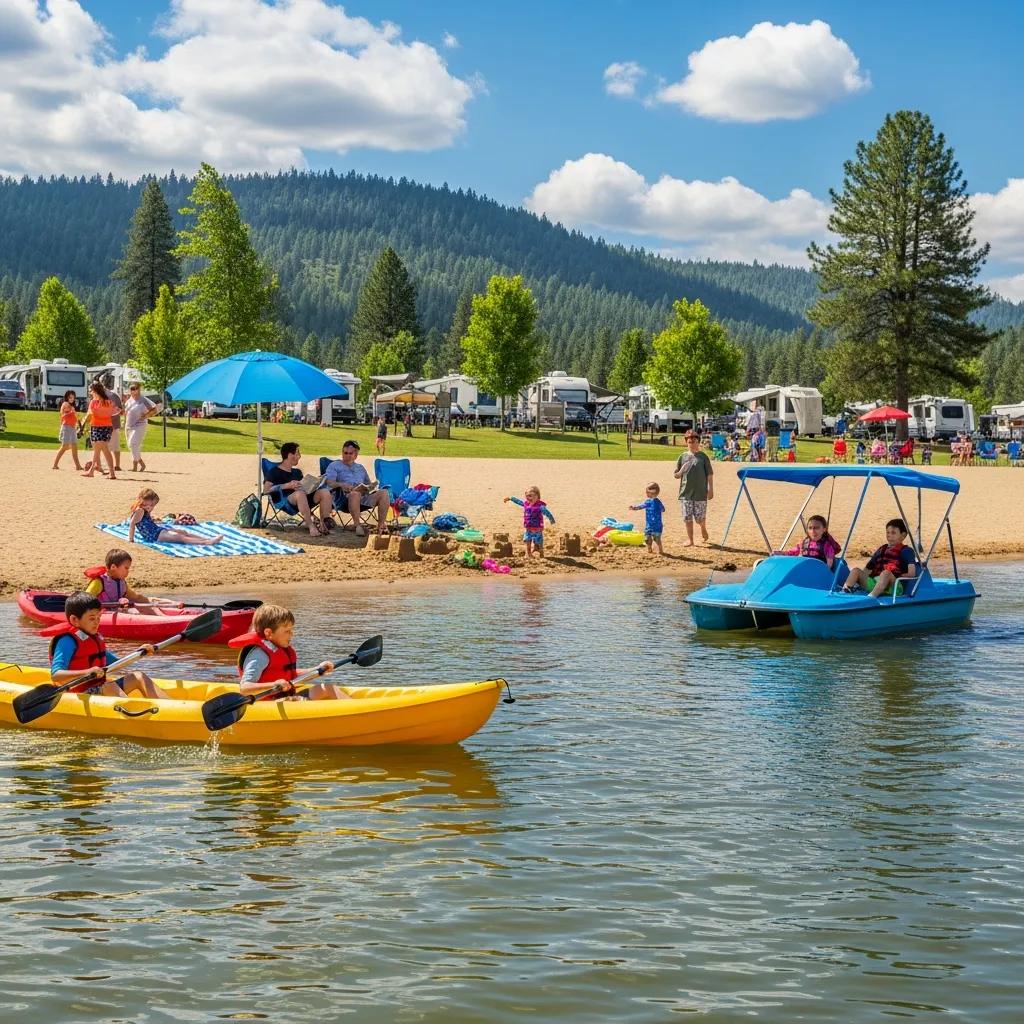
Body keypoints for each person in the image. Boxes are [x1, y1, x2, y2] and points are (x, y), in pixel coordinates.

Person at [48, 590, 168, 699]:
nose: (97, 622)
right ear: (75, 620)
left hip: (99, 688)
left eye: (98, 618)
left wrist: (140, 653)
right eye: (92, 619)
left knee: (138, 676)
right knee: (109, 687)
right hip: (77, 695)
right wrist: (87, 672)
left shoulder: (94, 639)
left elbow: (117, 665)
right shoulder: (67, 641)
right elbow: (56, 675)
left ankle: (167, 708)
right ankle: (133, 716)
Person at [229, 604, 351, 701]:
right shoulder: (259, 655)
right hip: (268, 705)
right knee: (325, 690)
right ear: (269, 633)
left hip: (283, 699)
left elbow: (290, 675)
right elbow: (245, 688)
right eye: (287, 631)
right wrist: (274, 684)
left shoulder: (279, 649)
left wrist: (317, 670)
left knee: (328, 688)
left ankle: (354, 713)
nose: (292, 634)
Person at [264, 441, 334, 538]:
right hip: (286, 502)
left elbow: (304, 487)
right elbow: (266, 490)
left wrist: (315, 484)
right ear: (290, 455)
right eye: (298, 453)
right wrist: (287, 485)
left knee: (324, 492)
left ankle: (324, 524)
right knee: (299, 493)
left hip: (303, 499)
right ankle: (311, 526)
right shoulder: (274, 471)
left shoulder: (297, 472)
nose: (299, 456)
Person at [83, 548, 184, 614]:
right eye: (126, 568)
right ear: (113, 567)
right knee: (136, 611)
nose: (128, 571)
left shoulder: (121, 582)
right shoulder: (99, 582)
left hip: (118, 610)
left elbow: (137, 597)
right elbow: (84, 601)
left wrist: (171, 603)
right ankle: (165, 620)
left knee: (148, 601)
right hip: (105, 614)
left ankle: (174, 606)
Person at [323, 439, 391, 536]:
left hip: (362, 499)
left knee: (384, 492)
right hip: (343, 499)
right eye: (345, 453)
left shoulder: (360, 468)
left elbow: (368, 485)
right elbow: (329, 482)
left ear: (356, 455)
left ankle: (381, 526)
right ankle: (357, 525)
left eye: (350, 453)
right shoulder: (334, 465)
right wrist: (342, 485)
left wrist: (371, 486)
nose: (347, 455)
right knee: (355, 494)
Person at [842, 518, 917, 597]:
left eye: (893, 533)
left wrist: (898, 576)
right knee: (855, 570)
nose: (889, 535)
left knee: (886, 573)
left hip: (894, 587)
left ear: (903, 535)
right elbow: (867, 569)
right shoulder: (882, 550)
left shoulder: (906, 551)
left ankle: (871, 597)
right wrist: (861, 580)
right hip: (875, 583)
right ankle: (845, 592)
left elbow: (912, 573)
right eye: (887, 532)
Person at [128, 488, 223, 546]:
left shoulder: (143, 509)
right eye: (149, 505)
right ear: (142, 500)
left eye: (152, 506)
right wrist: (131, 539)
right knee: (180, 537)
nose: (151, 508)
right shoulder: (140, 510)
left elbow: (144, 522)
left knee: (183, 532)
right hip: (154, 536)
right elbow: (132, 524)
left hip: (157, 530)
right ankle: (207, 542)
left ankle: (207, 538)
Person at [674, 430, 714, 546]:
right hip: (685, 493)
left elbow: (709, 474)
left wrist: (711, 489)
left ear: (698, 442)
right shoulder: (683, 457)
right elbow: (676, 475)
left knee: (699, 518)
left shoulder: (703, 457)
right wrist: (681, 471)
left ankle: (703, 527)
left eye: (695, 442)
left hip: (701, 493)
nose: (692, 444)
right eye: (690, 442)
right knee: (687, 518)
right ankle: (691, 540)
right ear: (687, 442)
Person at [772, 514, 841, 569]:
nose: (813, 531)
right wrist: (780, 553)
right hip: (805, 571)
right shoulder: (803, 543)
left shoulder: (827, 546)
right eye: (810, 528)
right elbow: (792, 553)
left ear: (824, 529)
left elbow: (829, 565)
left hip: (819, 573)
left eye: (816, 528)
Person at [80, 380, 118, 480]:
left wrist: (96, 413)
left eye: (91, 391)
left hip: (105, 427)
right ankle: (110, 473)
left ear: (96, 391)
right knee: (102, 449)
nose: (90, 393)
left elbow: (112, 413)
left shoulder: (108, 402)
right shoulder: (93, 402)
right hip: (95, 427)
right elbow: (90, 415)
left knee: (100, 448)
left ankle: (92, 470)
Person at [504, 486, 555, 558]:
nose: (528, 498)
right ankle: (529, 554)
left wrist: (551, 520)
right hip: (528, 527)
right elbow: (519, 502)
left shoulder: (540, 506)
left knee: (539, 541)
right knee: (528, 541)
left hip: (538, 528)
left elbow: (547, 513)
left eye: (530, 496)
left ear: (537, 496)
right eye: (527, 496)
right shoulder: (526, 504)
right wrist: (511, 498)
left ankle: (541, 552)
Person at [124, 383, 158, 472]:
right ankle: (139, 464)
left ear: (139, 389)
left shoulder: (143, 400)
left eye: (135, 388)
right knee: (131, 446)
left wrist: (146, 415)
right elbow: (126, 413)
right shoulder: (129, 401)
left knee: (133, 444)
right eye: (132, 388)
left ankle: (137, 465)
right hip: (128, 426)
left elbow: (155, 409)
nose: (133, 390)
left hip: (140, 425)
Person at [630, 482, 666, 555]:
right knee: (647, 538)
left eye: (647, 492)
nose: (646, 494)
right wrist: (634, 508)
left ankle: (660, 550)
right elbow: (641, 506)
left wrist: (660, 509)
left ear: (652, 492)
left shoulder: (658, 502)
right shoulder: (648, 501)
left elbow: (663, 509)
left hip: (657, 525)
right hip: (649, 525)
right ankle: (649, 550)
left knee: (657, 539)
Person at [53, 389, 83, 470]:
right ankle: (55, 464)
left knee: (74, 446)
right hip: (66, 427)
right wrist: (72, 411)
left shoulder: (72, 406)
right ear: (67, 397)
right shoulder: (65, 404)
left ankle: (78, 466)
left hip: (72, 428)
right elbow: (65, 413)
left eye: (73, 397)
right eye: (70, 397)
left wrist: (80, 427)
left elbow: (76, 417)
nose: (72, 399)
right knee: (64, 446)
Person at [101, 374, 125, 472]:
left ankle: (105, 465)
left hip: (103, 423)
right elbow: (121, 411)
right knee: (115, 446)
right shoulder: (114, 396)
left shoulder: (100, 395)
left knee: (104, 445)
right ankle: (117, 465)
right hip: (114, 424)